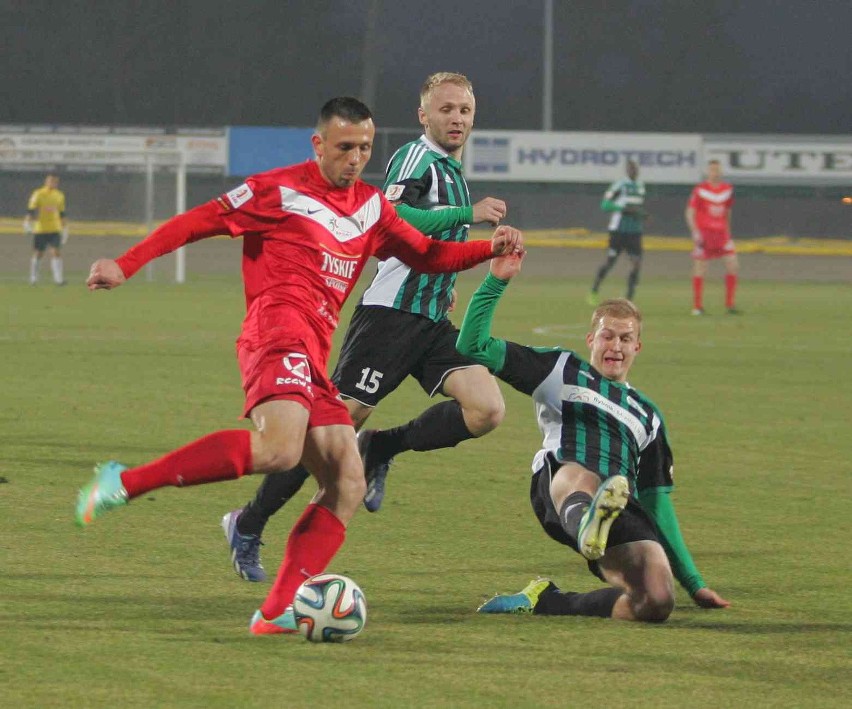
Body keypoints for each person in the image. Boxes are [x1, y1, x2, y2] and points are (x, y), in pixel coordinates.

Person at [74, 96, 523, 636]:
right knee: (280, 448)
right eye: (343, 147)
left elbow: (426, 254)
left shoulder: (372, 208)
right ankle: (126, 481)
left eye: (363, 148)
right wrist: (126, 264)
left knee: (348, 482)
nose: (355, 158)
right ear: (318, 145)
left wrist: (486, 251)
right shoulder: (278, 190)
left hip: (313, 350)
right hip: (275, 332)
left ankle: (275, 611)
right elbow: (198, 222)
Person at [221, 72, 510, 583]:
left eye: (464, 110)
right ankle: (248, 522)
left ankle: (383, 447)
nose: (456, 119)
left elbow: (432, 245)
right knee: (329, 434)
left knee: (486, 409)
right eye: (445, 110)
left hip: (431, 320)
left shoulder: (452, 169)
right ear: (424, 116)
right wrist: (469, 213)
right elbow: (391, 213)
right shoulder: (416, 159)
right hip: (389, 318)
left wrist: (448, 279)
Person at [456, 253, 729, 622]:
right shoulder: (561, 369)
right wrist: (496, 281)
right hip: (562, 483)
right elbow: (473, 346)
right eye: (607, 336)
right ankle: (587, 523)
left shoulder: (647, 415)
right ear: (591, 339)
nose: (615, 346)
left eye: (626, 338)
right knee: (585, 472)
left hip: (620, 506)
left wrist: (694, 584)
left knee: (656, 602)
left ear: (637, 347)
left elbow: (657, 504)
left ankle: (547, 600)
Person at [588, 160, 646, 304]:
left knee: (636, 264)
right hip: (618, 231)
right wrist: (623, 209)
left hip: (635, 231)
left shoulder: (641, 187)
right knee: (610, 262)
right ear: (626, 171)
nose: (633, 171)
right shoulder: (619, 186)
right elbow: (605, 205)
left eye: (635, 168)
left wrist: (641, 214)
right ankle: (594, 289)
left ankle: (629, 298)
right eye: (630, 168)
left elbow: (636, 208)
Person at [685, 160, 739, 315]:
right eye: (712, 170)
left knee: (733, 265)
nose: (715, 172)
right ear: (708, 172)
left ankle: (730, 304)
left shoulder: (727, 190)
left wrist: (728, 231)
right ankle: (697, 306)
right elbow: (690, 212)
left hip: (722, 234)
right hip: (704, 234)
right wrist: (695, 231)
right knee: (700, 268)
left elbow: (727, 211)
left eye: (717, 169)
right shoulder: (700, 190)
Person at [25, 173, 68, 285]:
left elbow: (62, 213)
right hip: (41, 228)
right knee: (38, 253)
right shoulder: (38, 193)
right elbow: (31, 209)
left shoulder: (59, 195)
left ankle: (58, 279)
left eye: (55, 181)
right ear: (46, 182)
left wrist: (65, 229)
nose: (53, 183)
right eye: (51, 181)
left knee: (56, 252)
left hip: (54, 228)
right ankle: (33, 278)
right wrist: (27, 223)